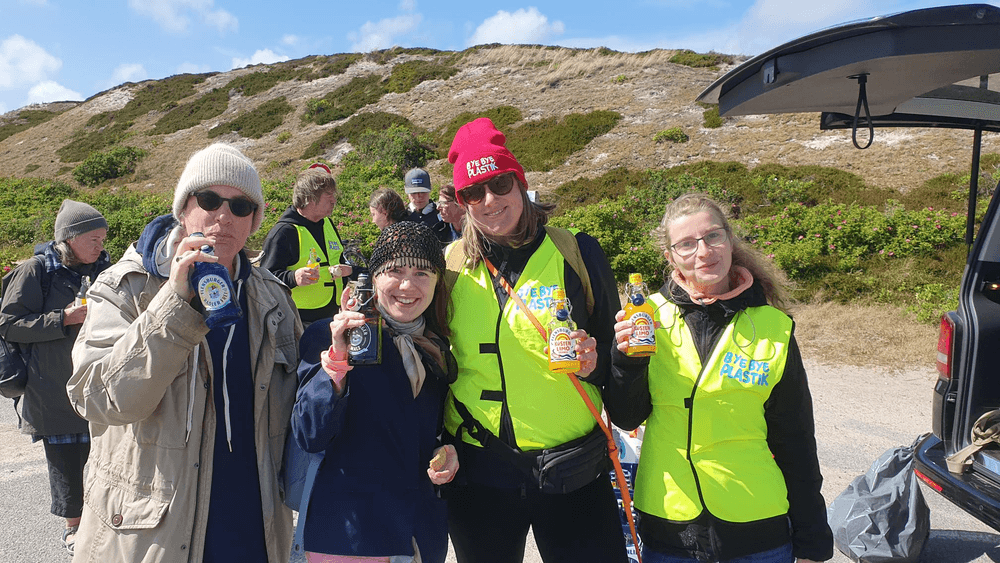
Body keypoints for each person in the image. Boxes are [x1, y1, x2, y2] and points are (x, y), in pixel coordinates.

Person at [66, 143, 303, 563]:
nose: (224, 216)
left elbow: (301, 411)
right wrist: (173, 304)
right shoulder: (126, 287)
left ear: (254, 220)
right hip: (153, 534)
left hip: (255, 529)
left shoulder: (272, 297)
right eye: (209, 200)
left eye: (241, 205)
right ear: (183, 208)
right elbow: (96, 399)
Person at [604, 193, 834, 563]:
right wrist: (624, 360)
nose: (704, 252)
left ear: (730, 239)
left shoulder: (773, 327)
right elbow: (627, 417)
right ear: (670, 257)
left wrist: (812, 542)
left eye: (713, 237)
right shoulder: (648, 318)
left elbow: (796, 441)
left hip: (758, 528)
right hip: (671, 527)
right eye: (686, 244)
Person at [442, 117, 627, 563]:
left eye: (500, 183)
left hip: (571, 468)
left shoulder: (577, 252)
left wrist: (595, 363)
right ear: (462, 201)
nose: (489, 200)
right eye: (473, 191)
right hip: (479, 469)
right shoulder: (448, 264)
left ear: (520, 184)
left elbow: (617, 353)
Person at [292, 221, 458, 563]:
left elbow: (425, 430)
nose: (407, 285)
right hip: (349, 534)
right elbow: (309, 434)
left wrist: (451, 453)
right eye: (394, 271)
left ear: (438, 283)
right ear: (373, 278)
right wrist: (335, 367)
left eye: (423, 273)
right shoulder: (334, 335)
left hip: (417, 531)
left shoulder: (437, 347)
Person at [0, 199, 110, 555]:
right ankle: (73, 529)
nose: (100, 245)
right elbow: (8, 323)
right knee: (67, 458)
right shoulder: (35, 271)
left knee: (103, 455)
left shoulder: (102, 267)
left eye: (104, 237)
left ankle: (103, 521)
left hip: (98, 382)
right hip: (52, 385)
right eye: (93, 238)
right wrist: (62, 319)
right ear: (70, 238)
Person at [261, 163, 352, 326]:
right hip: (299, 321)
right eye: (328, 195)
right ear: (310, 198)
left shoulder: (328, 224)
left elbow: (338, 258)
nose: (334, 200)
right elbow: (264, 280)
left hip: (335, 314)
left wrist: (346, 269)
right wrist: (292, 277)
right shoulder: (284, 233)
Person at [404, 168, 447, 242]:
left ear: (430, 189)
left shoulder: (442, 216)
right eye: (413, 193)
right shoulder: (402, 217)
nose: (418, 196)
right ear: (406, 191)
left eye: (423, 191)